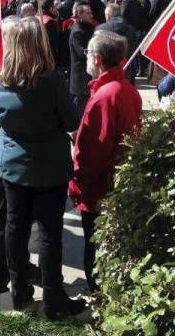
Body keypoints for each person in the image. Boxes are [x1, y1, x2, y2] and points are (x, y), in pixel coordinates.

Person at [0, 17, 86, 319]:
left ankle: (19, 291)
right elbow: (70, 122)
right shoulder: (52, 81)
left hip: (13, 165)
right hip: (49, 167)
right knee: (49, 232)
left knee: (16, 228)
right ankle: (54, 297)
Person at [69, 30, 142, 292]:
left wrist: (78, 184)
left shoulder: (104, 97)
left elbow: (93, 155)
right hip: (117, 184)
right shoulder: (126, 90)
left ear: (97, 58)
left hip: (99, 190)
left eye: (88, 53)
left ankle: (99, 297)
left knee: (95, 248)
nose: (86, 57)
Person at [96, 2, 138, 83]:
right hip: (126, 70)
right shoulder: (131, 30)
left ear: (107, 15)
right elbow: (134, 49)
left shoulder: (100, 29)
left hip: (106, 71)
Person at [69, 0, 95, 117]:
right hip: (81, 78)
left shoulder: (89, 27)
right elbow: (82, 53)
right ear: (80, 15)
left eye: (91, 12)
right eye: (88, 13)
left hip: (88, 75)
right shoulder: (77, 32)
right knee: (80, 111)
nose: (92, 15)